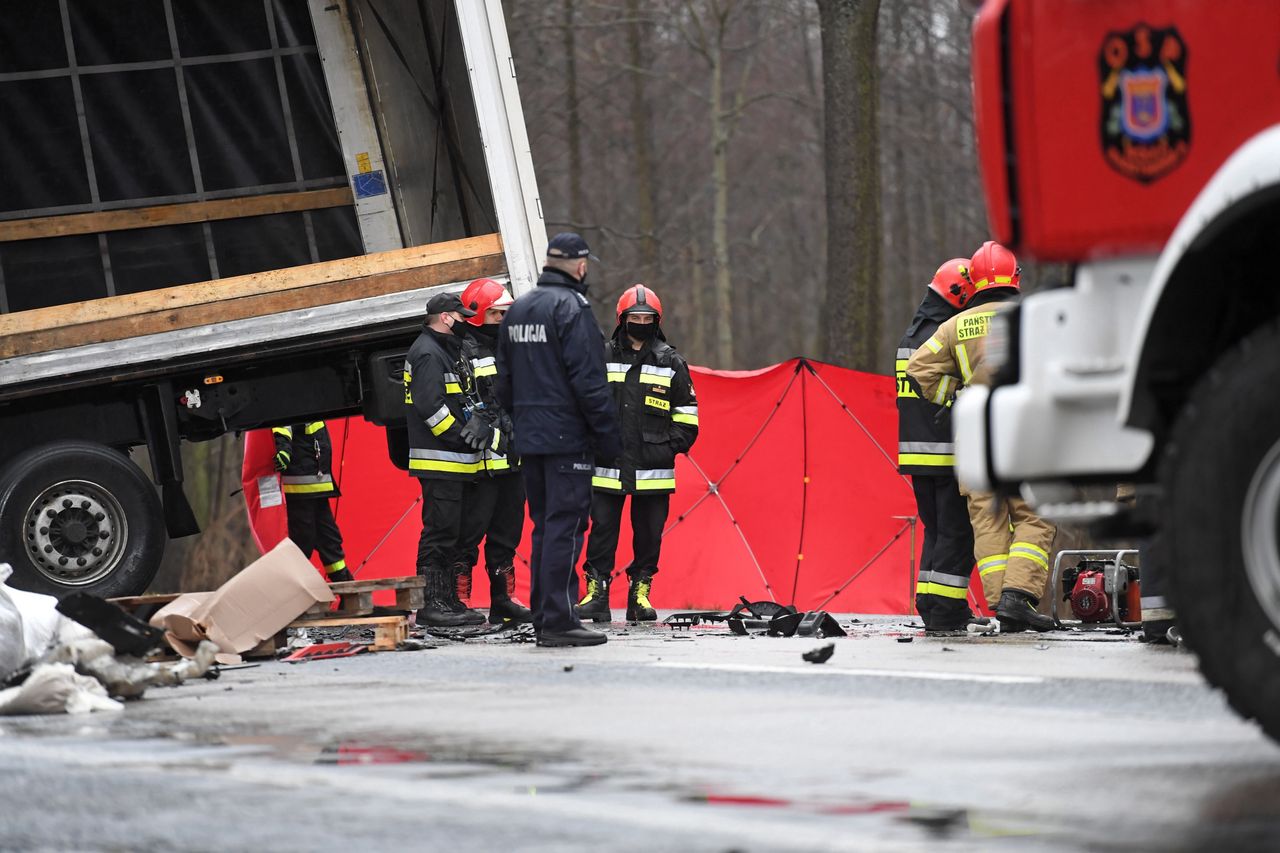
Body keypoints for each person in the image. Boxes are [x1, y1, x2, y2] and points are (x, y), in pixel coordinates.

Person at [907, 241, 1057, 633]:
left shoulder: (955, 325)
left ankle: (999, 604)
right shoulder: (1033, 318)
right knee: (1035, 515)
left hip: (974, 437)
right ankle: (1017, 597)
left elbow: (920, 368)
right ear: (1015, 277)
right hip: (1023, 431)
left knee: (987, 519)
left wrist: (955, 398)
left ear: (973, 282)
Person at [495, 233, 621, 647]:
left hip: (531, 438)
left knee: (544, 526)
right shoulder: (572, 308)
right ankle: (560, 621)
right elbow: (589, 380)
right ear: (581, 265)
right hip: (567, 437)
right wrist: (607, 436)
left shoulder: (520, 308)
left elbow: (504, 379)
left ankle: (544, 615)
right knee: (566, 527)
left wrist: (521, 423)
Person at [576, 285, 699, 623]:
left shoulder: (671, 361)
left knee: (648, 535)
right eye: (636, 317)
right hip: (607, 466)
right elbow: (583, 408)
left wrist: (663, 449)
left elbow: (688, 419)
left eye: (647, 318)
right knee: (601, 531)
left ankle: (639, 594)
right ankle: (596, 594)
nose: (641, 323)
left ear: (657, 321)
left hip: (653, 471)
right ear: (622, 319)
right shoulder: (601, 357)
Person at [404, 291, 504, 628]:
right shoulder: (429, 353)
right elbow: (431, 409)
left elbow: (459, 400)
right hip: (441, 460)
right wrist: (463, 437)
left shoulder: (445, 350)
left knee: (452, 533)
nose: (466, 322)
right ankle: (432, 604)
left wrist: (477, 421)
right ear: (446, 318)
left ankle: (446, 600)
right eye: (461, 317)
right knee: (440, 533)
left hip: (454, 461)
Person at [897, 260, 978, 633]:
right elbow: (941, 389)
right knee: (957, 533)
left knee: (934, 530)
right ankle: (947, 609)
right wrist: (963, 396)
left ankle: (930, 603)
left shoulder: (910, 336)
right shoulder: (944, 334)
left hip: (914, 453)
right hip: (945, 451)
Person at [453, 277, 533, 625]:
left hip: (514, 459)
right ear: (480, 315)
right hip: (478, 461)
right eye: (500, 314)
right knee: (468, 533)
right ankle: (459, 600)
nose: (506, 320)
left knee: (507, 532)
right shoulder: (461, 350)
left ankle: (504, 600)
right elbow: (469, 402)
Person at [272, 421, 353, 583]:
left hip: (317, 486)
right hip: (301, 488)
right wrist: (284, 450)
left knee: (330, 539)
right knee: (303, 542)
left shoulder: (310, 397)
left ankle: (344, 584)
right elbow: (283, 421)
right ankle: (295, 589)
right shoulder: (290, 397)